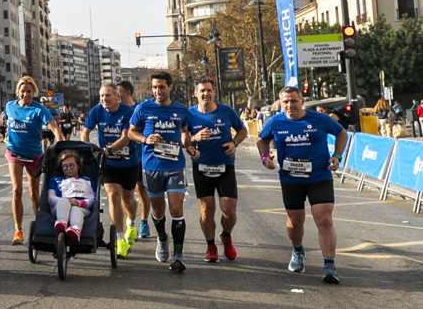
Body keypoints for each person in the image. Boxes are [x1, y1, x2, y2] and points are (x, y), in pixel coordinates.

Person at [257, 86, 347, 284]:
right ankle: (297, 250)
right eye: (285, 102)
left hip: (319, 176)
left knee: (324, 219)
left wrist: (337, 156)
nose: (290, 105)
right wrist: (265, 156)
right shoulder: (275, 121)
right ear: (280, 103)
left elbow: (342, 134)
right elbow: (261, 140)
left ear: (302, 101)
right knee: (295, 223)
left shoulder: (319, 119)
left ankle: (329, 265)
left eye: (294, 101)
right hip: (291, 179)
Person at [128, 71, 196, 272]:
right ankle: (162, 238)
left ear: (170, 87)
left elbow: (185, 133)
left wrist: (190, 147)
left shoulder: (181, 110)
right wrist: (145, 139)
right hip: (151, 166)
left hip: (175, 166)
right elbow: (131, 132)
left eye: (162, 87)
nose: (158, 91)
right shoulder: (143, 108)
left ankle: (178, 255)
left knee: (176, 209)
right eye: (155, 87)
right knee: (158, 211)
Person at [187, 78, 247, 263]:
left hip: (225, 165)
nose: (206, 94)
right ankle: (210, 245)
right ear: (195, 93)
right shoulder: (188, 114)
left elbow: (242, 130)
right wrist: (194, 140)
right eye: (202, 91)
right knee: (206, 211)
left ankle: (226, 237)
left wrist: (234, 142)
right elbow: (183, 140)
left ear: (214, 93)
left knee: (229, 211)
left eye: (209, 90)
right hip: (202, 166)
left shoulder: (226, 111)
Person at [82, 82, 141, 257]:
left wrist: (108, 149)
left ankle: (131, 222)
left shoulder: (128, 112)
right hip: (108, 163)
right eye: (101, 96)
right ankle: (120, 239)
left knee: (128, 199)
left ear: (118, 96)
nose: (104, 99)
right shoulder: (97, 111)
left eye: (107, 95)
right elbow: (85, 132)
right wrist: (87, 148)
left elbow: (125, 138)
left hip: (129, 161)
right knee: (113, 195)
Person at [4, 76, 61, 245]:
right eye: (23, 91)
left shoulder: (39, 109)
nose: (26, 94)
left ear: (33, 93)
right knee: (16, 190)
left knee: (33, 194)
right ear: (18, 92)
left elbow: (54, 128)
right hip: (14, 152)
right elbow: (7, 125)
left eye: (29, 91)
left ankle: (41, 227)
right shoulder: (9, 107)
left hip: (33, 155)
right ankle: (18, 230)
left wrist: (60, 146)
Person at [118, 79, 149, 240]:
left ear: (127, 93)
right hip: (124, 157)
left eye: (119, 93)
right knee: (126, 194)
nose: (117, 96)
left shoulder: (139, 109)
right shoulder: (117, 110)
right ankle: (130, 223)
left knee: (142, 190)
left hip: (141, 155)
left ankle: (144, 221)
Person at [49, 150, 96, 243]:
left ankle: (76, 229)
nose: (68, 169)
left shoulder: (88, 180)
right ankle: (62, 223)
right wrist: (66, 201)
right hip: (60, 207)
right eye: (64, 166)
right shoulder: (55, 180)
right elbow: (51, 198)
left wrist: (80, 203)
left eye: (71, 165)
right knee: (63, 202)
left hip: (81, 208)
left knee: (76, 209)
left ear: (78, 166)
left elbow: (93, 198)